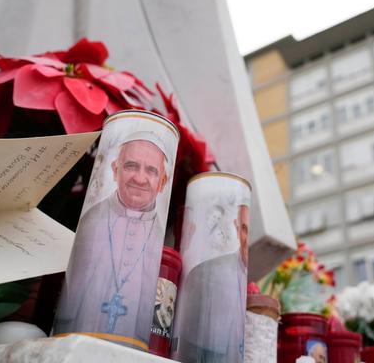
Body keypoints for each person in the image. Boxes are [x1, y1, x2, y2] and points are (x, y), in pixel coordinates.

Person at [53, 131, 170, 350]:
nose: (140, 178)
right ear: (116, 170)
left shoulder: (159, 234)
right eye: (131, 166)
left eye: (151, 170)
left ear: (163, 182)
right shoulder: (92, 219)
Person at [174, 201, 250, 363]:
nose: (247, 240)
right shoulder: (204, 274)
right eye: (244, 229)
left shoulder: (249, 277)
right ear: (237, 228)